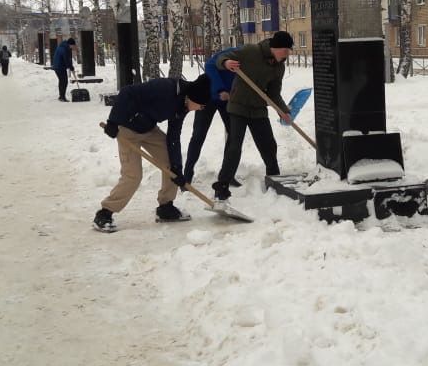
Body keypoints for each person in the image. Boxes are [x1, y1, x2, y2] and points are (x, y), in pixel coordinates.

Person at [94, 74, 212, 232]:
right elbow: (127, 92)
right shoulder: (164, 88)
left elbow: (174, 136)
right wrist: (114, 121)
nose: (200, 109)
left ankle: (166, 207)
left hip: (149, 129)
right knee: (133, 175)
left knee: (170, 165)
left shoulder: (183, 105)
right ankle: (105, 213)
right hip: (127, 130)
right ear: (192, 98)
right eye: (200, 105)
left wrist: (177, 167)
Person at [211, 31, 293, 203]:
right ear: (275, 48)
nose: (287, 54)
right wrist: (226, 63)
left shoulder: (279, 67)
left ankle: (274, 180)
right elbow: (220, 59)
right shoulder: (250, 51)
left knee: (269, 145)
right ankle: (222, 187)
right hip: (238, 107)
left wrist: (283, 110)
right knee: (234, 146)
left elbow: (273, 93)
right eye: (285, 50)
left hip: (258, 109)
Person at [183, 46, 238, 186]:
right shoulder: (237, 53)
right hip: (206, 95)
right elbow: (210, 65)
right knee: (198, 135)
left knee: (234, 135)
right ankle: (187, 175)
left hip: (227, 99)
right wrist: (220, 89)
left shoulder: (256, 65)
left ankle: (227, 174)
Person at [52, 37, 76, 101]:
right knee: (64, 81)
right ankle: (62, 97)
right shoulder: (64, 49)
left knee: (62, 81)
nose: (73, 47)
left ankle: (61, 96)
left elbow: (68, 59)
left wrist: (71, 66)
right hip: (60, 67)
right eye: (73, 45)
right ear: (70, 44)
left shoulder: (64, 47)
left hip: (58, 66)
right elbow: (66, 60)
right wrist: (71, 67)